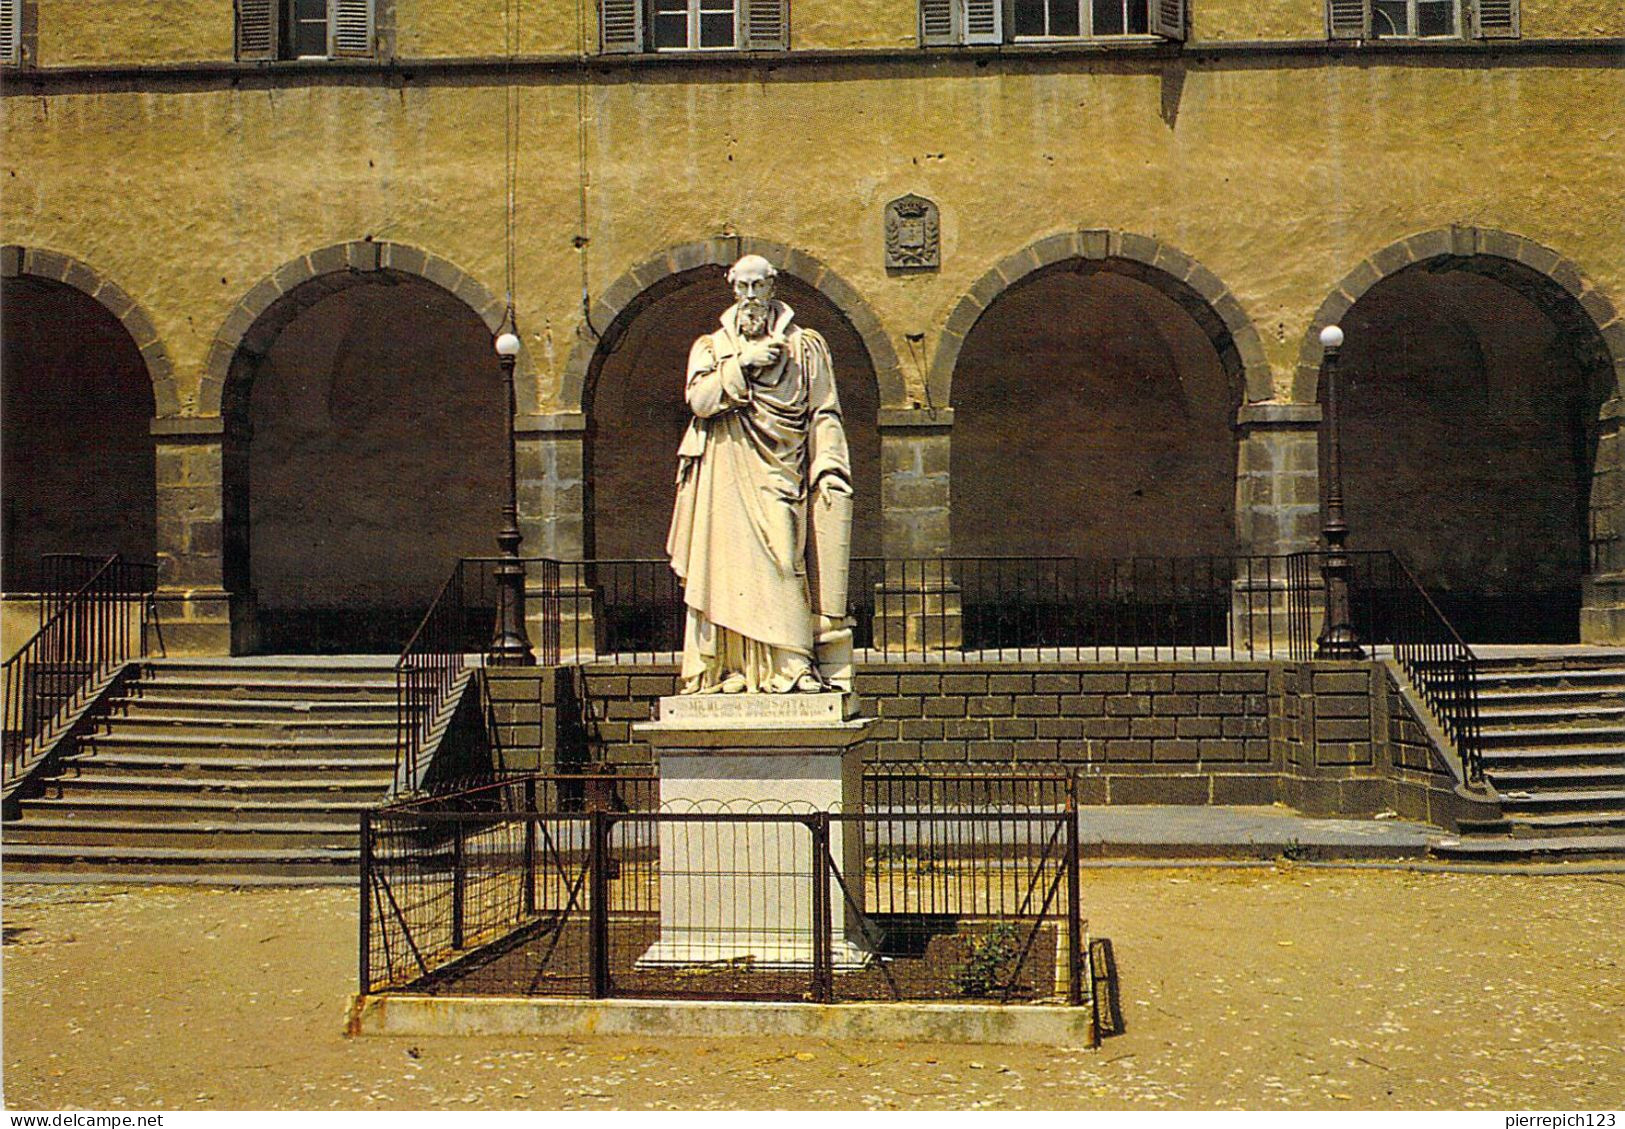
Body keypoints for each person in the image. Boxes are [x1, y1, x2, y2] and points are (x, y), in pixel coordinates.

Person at [665, 254, 854, 694]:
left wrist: (829, 468)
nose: (750, 296)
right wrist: (743, 363)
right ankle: (731, 668)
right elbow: (700, 401)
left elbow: (825, 412)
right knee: (724, 566)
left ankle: (793, 665)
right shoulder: (711, 348)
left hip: (781, 471)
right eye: (742, 287)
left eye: (758, 287)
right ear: (733, 289)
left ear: (773, 288)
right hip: (724, 471)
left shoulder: (805, 347)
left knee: (785, 556)